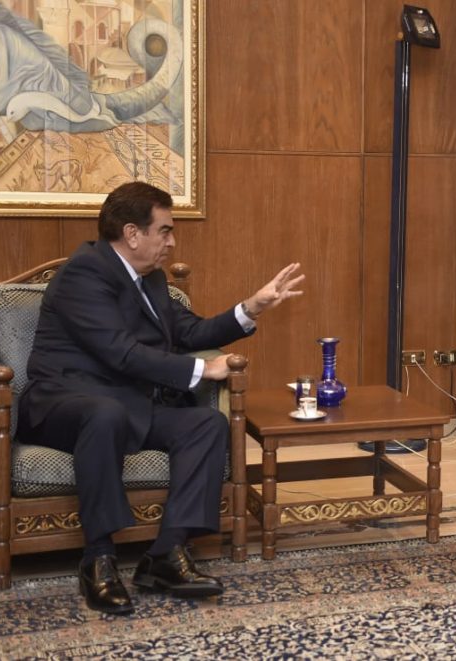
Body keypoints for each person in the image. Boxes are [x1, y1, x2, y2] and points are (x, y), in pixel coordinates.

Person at [18, 182, 304, 614]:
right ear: (132, 234)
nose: (172, 242)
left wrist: (251, 308)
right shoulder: (83, 273)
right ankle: (98, 558)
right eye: (165, 231)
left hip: (125, 404)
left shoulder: (150, 280)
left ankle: (167, 553)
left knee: (206, 424)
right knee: (104, 413)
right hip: (63, 402)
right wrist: (202, 370)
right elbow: (120, 352)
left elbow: (189, 331)